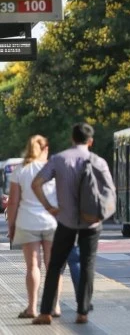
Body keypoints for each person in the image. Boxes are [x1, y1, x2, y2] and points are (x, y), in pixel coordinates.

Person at [31, 122, 112, 325]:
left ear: (72, 138)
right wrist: (101, 215)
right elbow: (110, 192)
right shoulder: (98, 161)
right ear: (90, 141)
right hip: (91, 223)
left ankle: (45, 313)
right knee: (87, 264)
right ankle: (82, 312)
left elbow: (36, 183)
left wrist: (49, 207)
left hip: (65, 221)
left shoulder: (59, 159)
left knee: (55, 265)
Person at [6, 135, 62, 319]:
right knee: (53, 266)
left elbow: (13, 202)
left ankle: (32, 308)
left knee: (32, 267)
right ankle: (55, 306)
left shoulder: (20, 170)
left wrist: (11, 226)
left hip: (27, 222)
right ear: (45, 149)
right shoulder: (52, 168)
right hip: (52, 222)